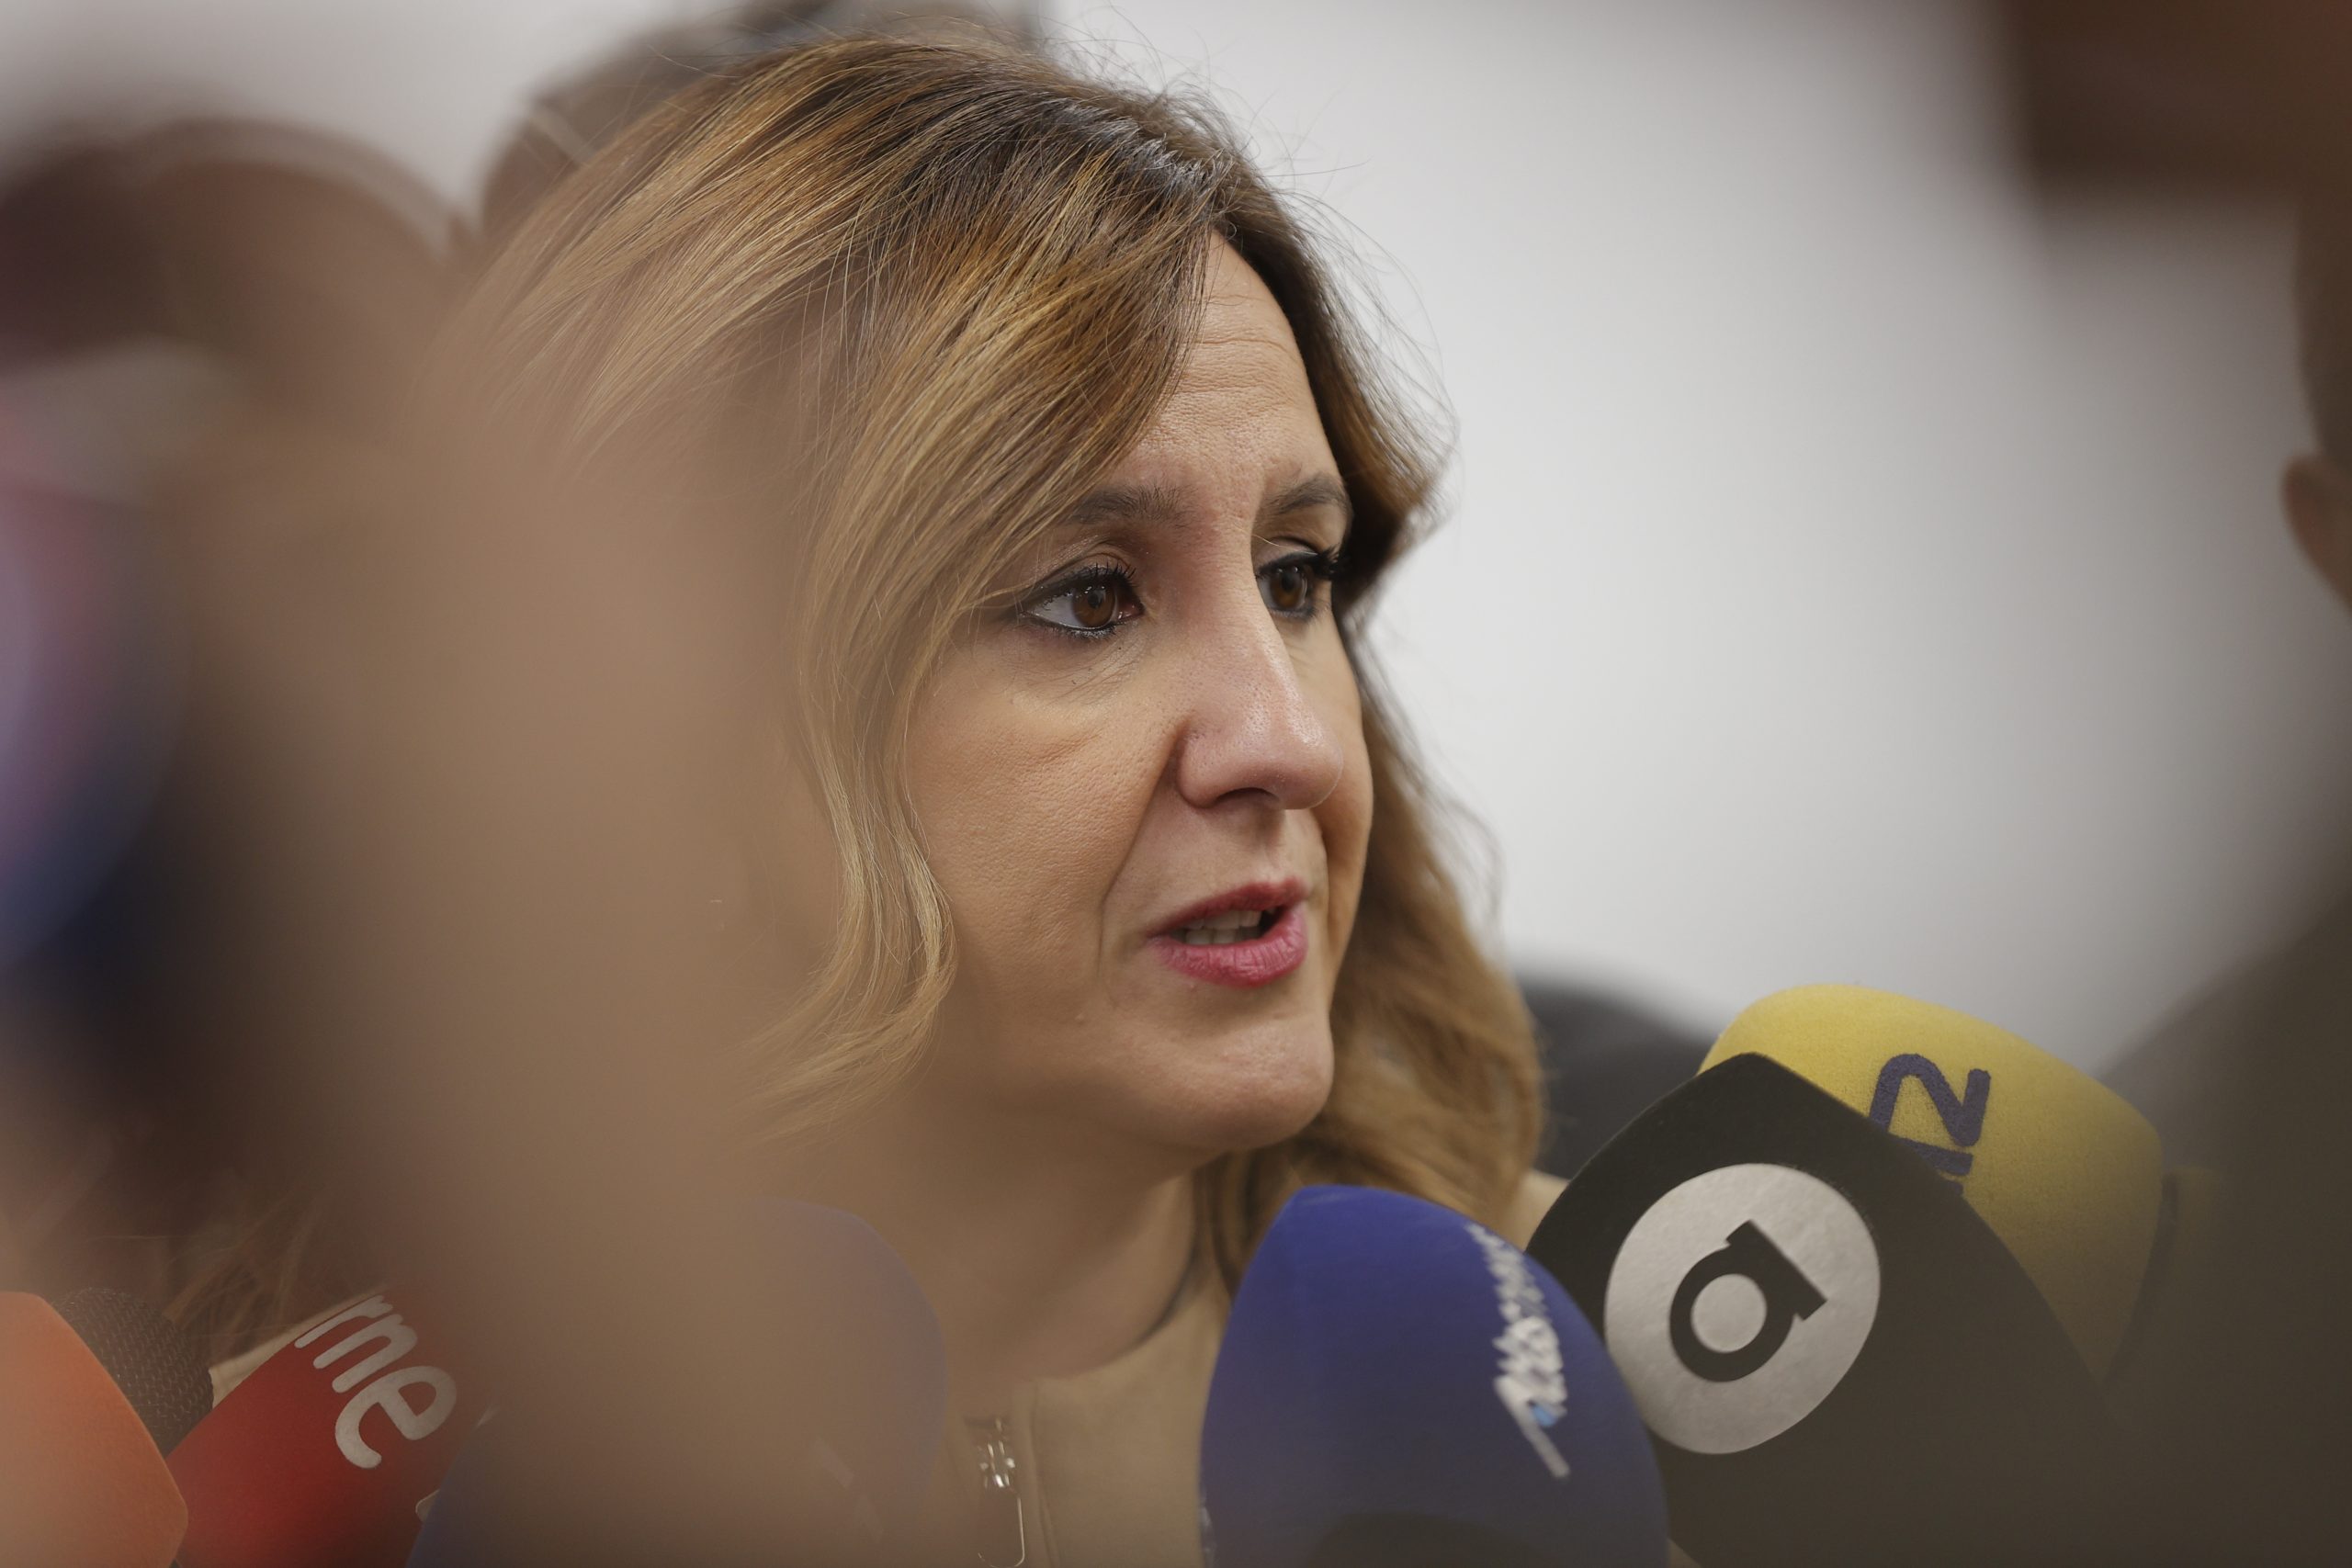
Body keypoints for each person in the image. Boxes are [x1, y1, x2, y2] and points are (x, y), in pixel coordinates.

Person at [159, 28, 1561, 1566]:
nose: (1288, 742)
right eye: (1090, 598)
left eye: (1295, 577)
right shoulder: (253, 1503)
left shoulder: (1629, 1390)